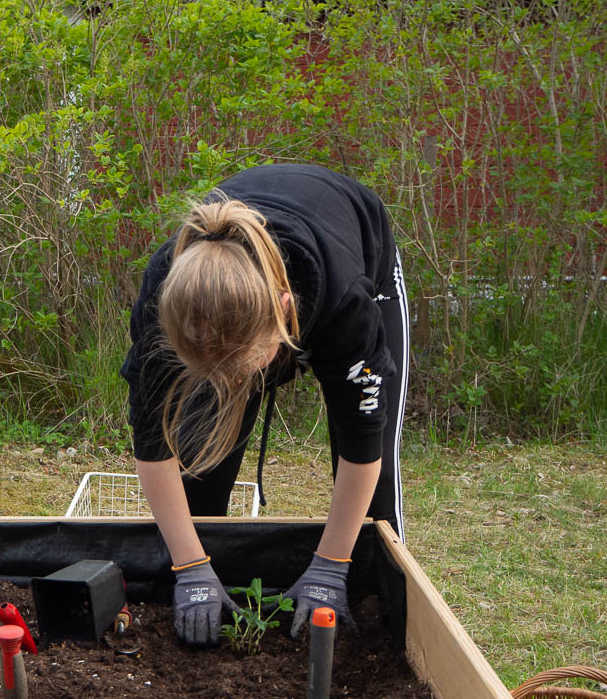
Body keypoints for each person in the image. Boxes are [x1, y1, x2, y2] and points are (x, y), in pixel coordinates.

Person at [120, 164, 409, 646]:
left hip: (357, 250)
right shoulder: (166, 301)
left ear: (285, 312)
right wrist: (190, 567)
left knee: (372, 506)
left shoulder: (345, 303)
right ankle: (208, 590)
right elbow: (154, 447)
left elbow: (362, 446)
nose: (231, 384)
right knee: (200, 457)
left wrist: (330, 567)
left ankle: (378, 618)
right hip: (237, 302)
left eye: (242, 370)